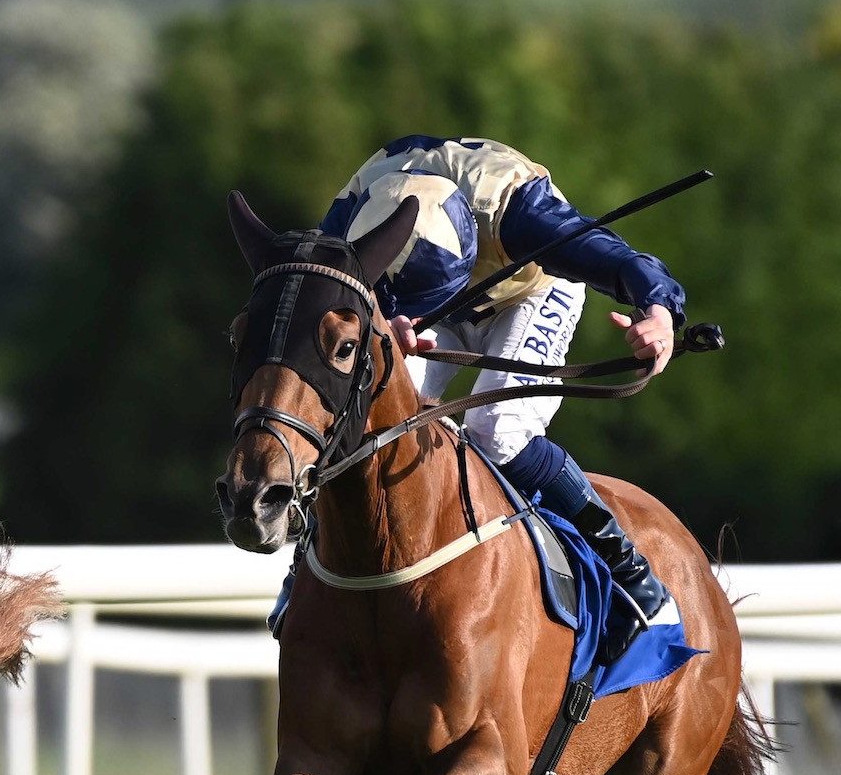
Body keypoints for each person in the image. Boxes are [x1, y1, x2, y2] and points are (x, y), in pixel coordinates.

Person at [273, 135, 686, 661]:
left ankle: (629, 572)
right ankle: (306, 565)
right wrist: (391, 319)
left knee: (497, 431)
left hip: (530, 291)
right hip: (429, 301)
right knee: (361, 417)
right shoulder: (349, 220)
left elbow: (621, 259)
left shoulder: (521, 213)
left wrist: (659, 312)